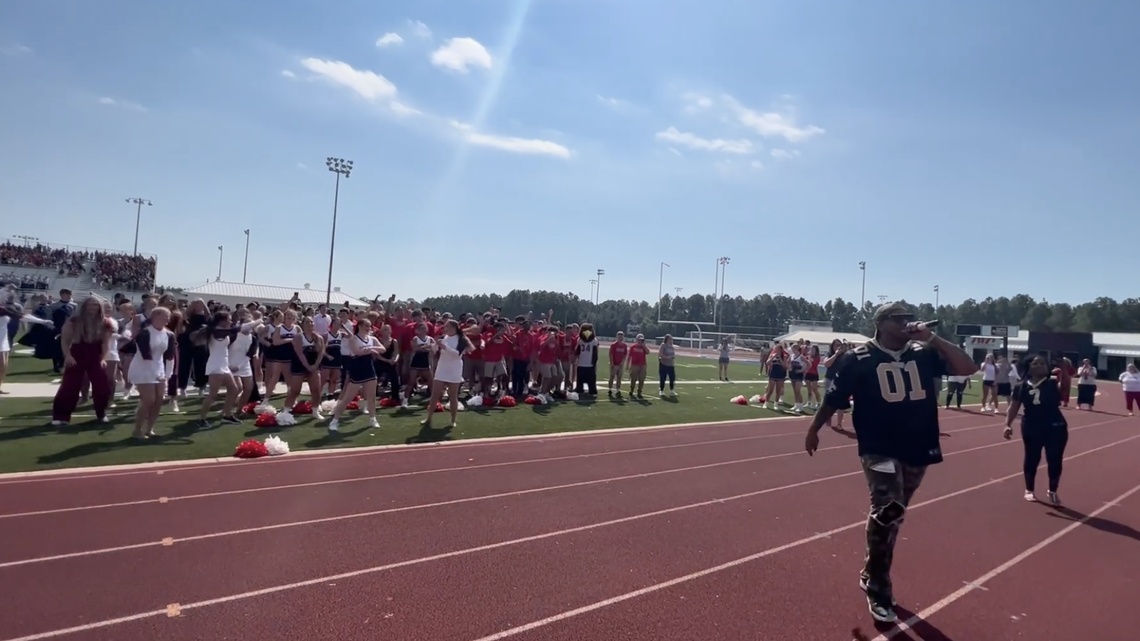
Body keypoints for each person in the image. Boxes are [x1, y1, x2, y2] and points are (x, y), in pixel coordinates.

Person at [803, 302, 977, 623]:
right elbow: (834, 398)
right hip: (879, 445)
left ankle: (871, 571)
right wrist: (814, 429)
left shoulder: (922, 353)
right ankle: (879, 589)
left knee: (895, 516)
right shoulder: (858, 359)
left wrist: (934, 339)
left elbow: (968, 368)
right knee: (888, 508)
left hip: (918, 443)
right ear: (881, 323)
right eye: (900, 318)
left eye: (909, 317)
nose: (908, 323)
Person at [1004, 354, 1068, 506]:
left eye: (1042, 363)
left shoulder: (1052, 383)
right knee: (1032, 458)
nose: (1040, 365)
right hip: (1032, 425)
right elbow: (1014, 406)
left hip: (1055, 425)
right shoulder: (1021, 386)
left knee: (1055, 459)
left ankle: (1052, 490)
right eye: (1036, 363)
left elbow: (1065, 388)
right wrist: (1007, 424)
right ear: (1029, 367)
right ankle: (1029, 489)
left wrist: (1064, 369)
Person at [421, 319, 471, 428]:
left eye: (447, 326)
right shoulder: (444, 338)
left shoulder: (461, 340)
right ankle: (428, 418)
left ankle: (453, 420)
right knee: (434, 395)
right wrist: (433, 346)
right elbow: (436, 351)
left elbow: (457, 354)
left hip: (454, 369)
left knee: (453, 396)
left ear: (453, 328)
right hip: (442, 368)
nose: (445, 329)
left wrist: (444, 347)